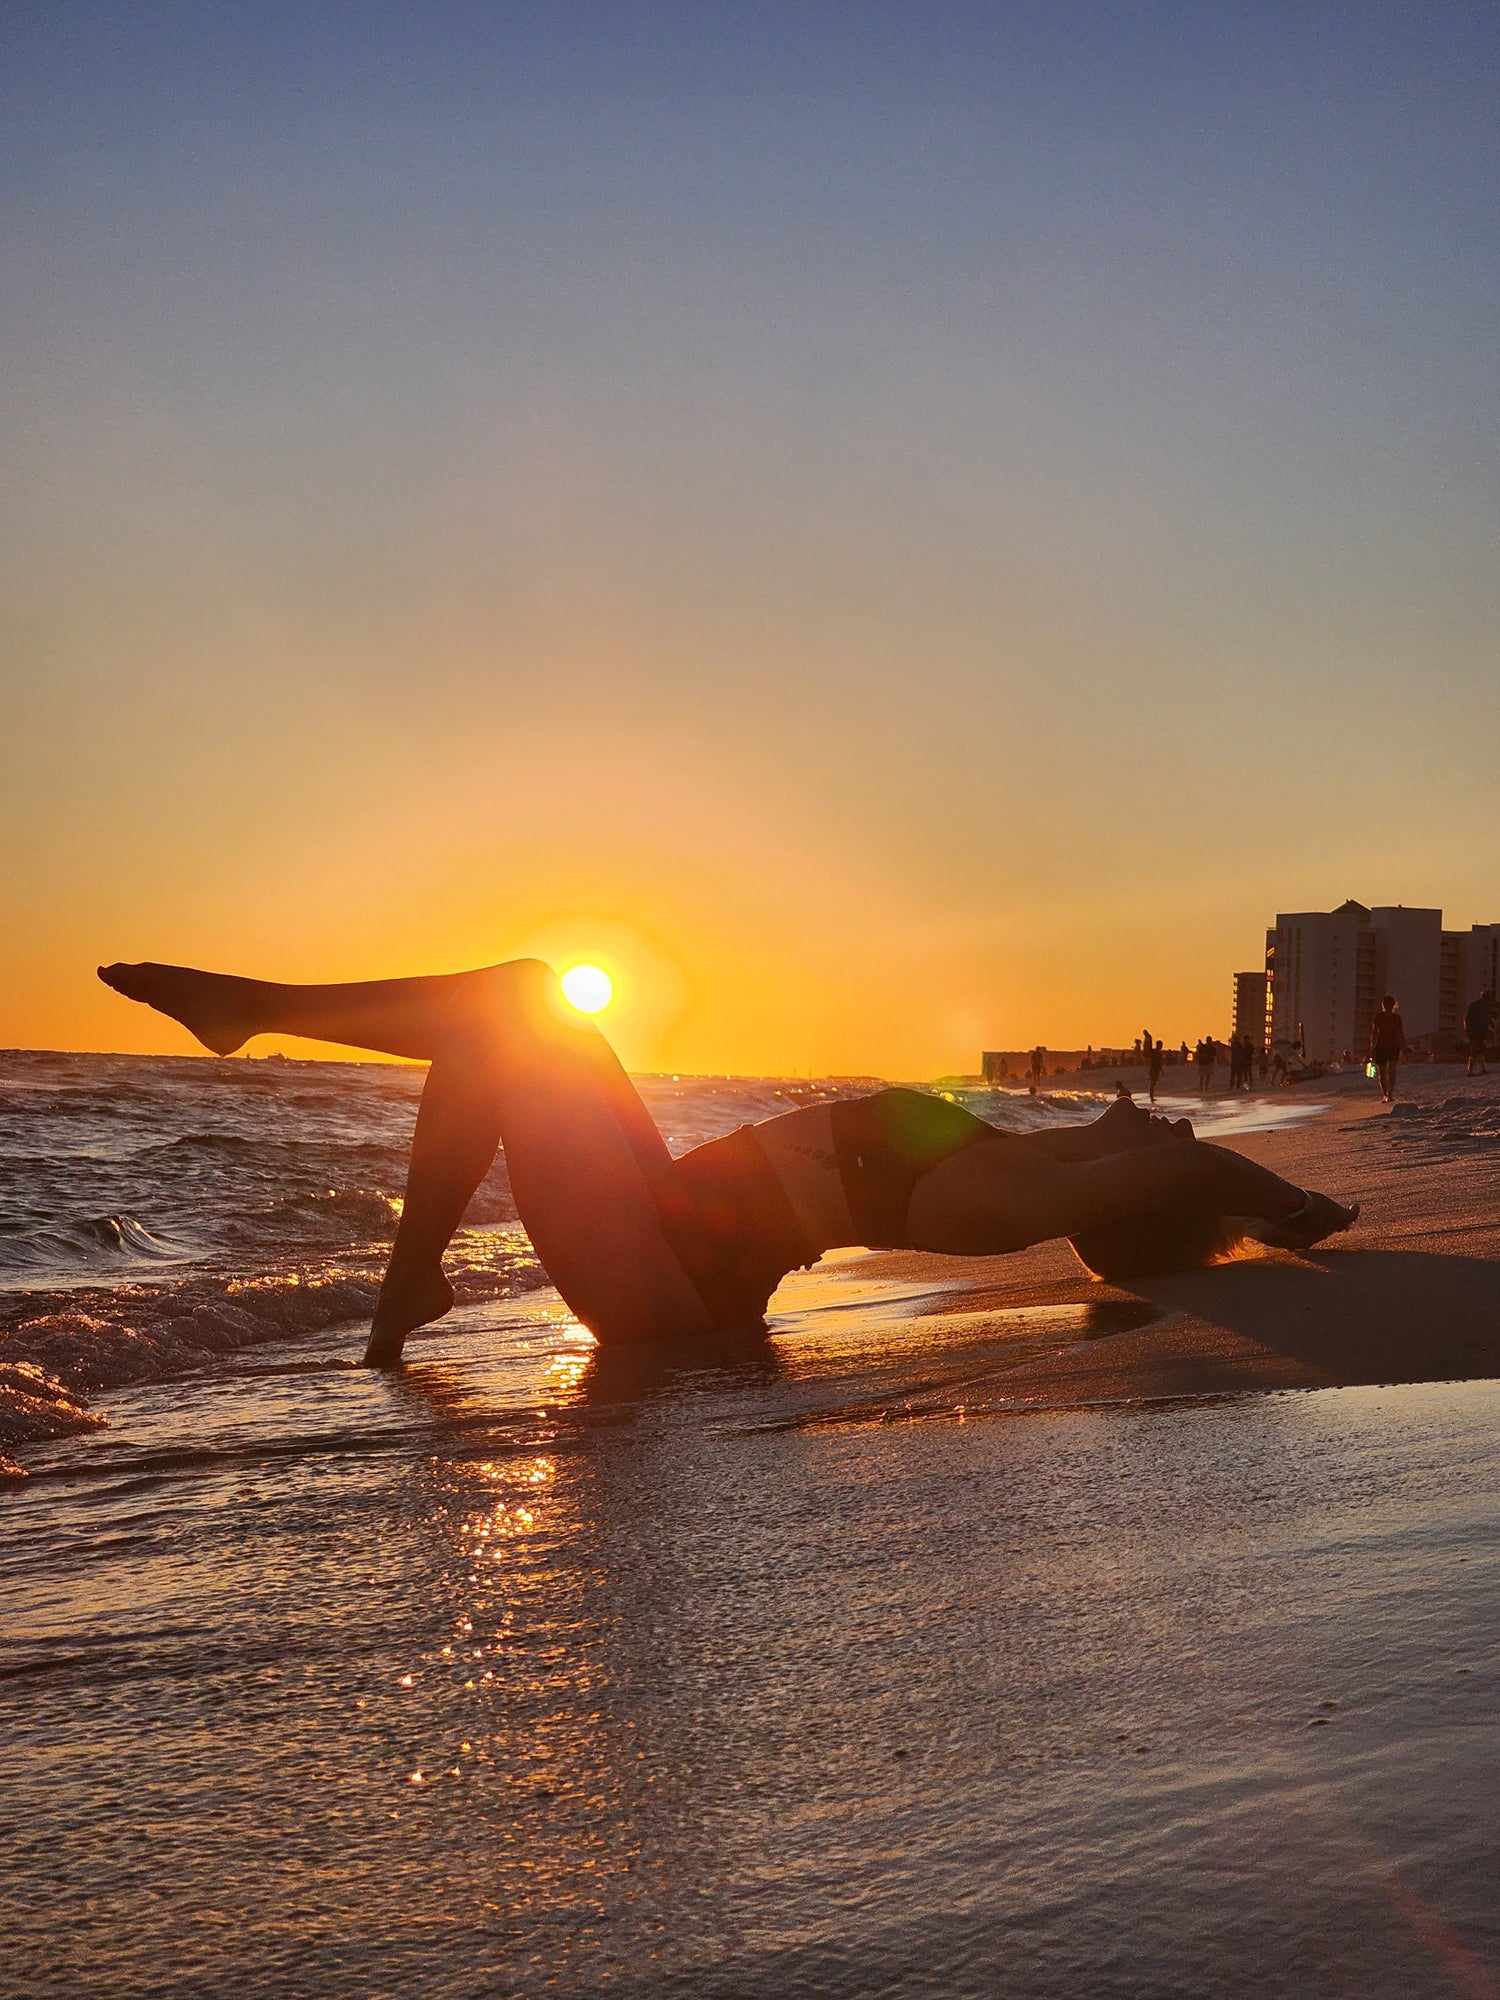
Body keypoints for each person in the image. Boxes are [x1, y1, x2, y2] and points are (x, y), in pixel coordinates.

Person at [97, 957, 1360, 1358]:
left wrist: (1282, 1198)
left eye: (1165, 1145)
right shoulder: (1041, 1144)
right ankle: (405, 1283)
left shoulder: (1024, 1192)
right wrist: (1200, 1169)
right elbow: (1165, 1152)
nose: (1178, 1122)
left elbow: (1194, 1175)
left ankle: (254, 1007)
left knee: (509, 1004)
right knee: (525, 1003)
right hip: (664, 1220)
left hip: (669, 1284)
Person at [1369, 995, 1405, 1104]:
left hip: (1393, 1046)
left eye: (1389, 1004)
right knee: (1382, 1072)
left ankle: (1390, 1094)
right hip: (1381, 1046)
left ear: (1393, 1005)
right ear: (1383, 1005)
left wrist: (1402, 1046)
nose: (1387, 1006)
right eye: (1385, 1004)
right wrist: (1372, 1046)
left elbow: (1400, 1033)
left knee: (1391, 1070)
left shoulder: (1396, 1018)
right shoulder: (1379, 1017)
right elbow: (1374, 1032)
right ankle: (1385, 1093)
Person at [1465, 989, 1495, 1077]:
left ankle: (1482, 1069)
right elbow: (1468, 1018)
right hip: (1476, 1032)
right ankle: (1470, 1071)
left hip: (1477, 1032)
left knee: (1480, 1050)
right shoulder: (1481, 1007)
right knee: (1475, 1051)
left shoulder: (1479, 1006)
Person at [1147, 1037, 1165, 1104]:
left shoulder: (1159, 1053)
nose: (1161, 1047)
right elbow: (1149, 1048)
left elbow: (1160, 1063)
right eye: (1160, 1045)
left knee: (1153, 1083)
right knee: (1152, 1083)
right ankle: (1151, 1096)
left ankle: (1152, 1096)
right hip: (1153, 1069)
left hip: (1156, 1070)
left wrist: (1161, 1070)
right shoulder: (1153, 1051)